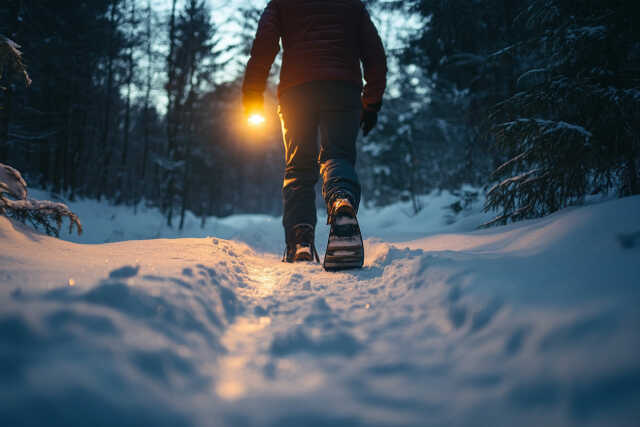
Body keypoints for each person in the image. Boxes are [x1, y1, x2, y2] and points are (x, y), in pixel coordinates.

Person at [242, 0, 387, 268]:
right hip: (343, 89)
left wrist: (252, 95)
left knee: (298, 167)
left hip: (297, 91)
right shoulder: (352, 5)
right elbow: (374, 53)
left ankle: (300, 243)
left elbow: (263, 45)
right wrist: (372, 102)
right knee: (338, 156)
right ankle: (341, 200)